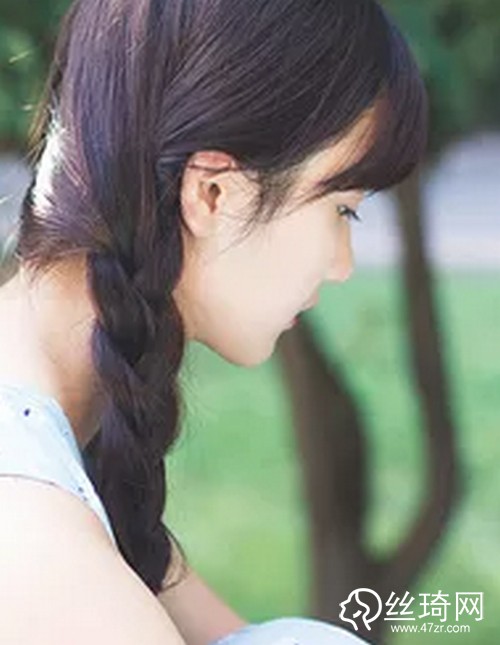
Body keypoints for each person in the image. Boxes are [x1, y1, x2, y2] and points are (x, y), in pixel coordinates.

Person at [0, 0, 427, 643]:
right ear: (212, 193)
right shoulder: (50, 563)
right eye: (343, 209)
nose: (342, 265)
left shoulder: (75, 461)